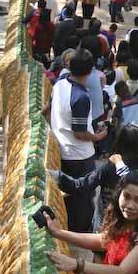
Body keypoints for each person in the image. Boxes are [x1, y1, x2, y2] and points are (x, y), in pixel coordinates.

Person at [50, 48, 107, 232]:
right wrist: (98, 136)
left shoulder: (60, 85)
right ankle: (79, 233)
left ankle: (69, 228)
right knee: (82, 197)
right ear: (90, 71)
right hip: (79, 155)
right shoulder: (81, 97)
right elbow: (80, 133)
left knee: (69, 196)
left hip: (63, 149)